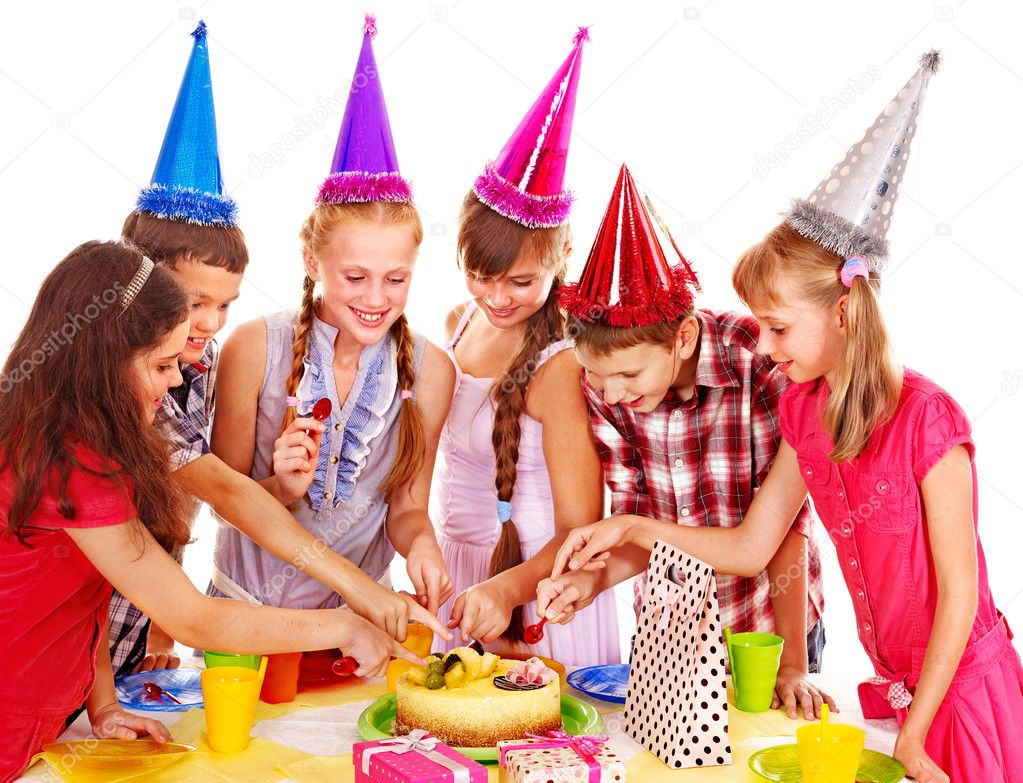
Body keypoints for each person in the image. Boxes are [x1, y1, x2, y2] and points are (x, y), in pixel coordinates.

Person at [0, 242, 418, 783]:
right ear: (105, 359)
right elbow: (195, 618)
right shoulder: (66, 459)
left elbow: (92, 595)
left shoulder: (96, 439)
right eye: (162, 364)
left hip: (50, 717)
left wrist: (101, 706)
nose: (177, 380)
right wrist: (342, 624)